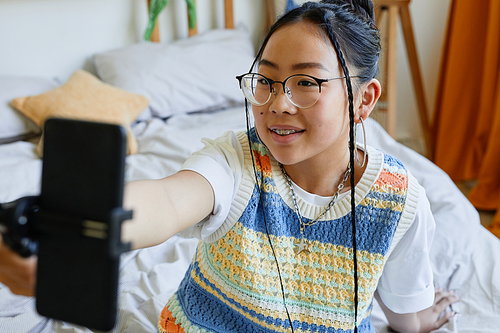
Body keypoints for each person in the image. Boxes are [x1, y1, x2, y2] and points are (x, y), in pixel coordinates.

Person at [0, 1, 459, 332]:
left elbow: (404, 314)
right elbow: (165, 199)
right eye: (265, 80)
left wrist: (426, 316)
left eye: (306, 82)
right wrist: (59, 223)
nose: (277, 103)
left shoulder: (400, 202)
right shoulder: (236, 159)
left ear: (363, 99)